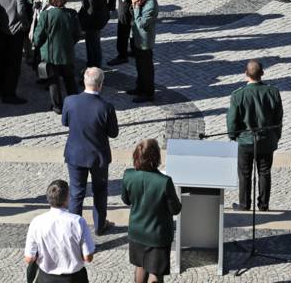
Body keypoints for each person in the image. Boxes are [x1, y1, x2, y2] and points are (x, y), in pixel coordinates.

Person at [62, 66, 119, 237]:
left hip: (75, 154)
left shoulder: (70, 101)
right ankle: (100, 226)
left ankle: (74, 231)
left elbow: (65, 122)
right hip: (98, 157)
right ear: (101, 84)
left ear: (84, 82)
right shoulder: (106, 107)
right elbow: (113, 133)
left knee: (76, 193)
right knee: (100, 192)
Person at [121, 139, 182, 283]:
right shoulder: (164, 181)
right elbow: (175, 209)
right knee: (156, 273)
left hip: (136, 232)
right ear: (156, 157)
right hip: (158, 235)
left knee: (140, 266)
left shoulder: (128, 175)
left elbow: (126, 200)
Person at [227, 59, 283, 212]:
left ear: (246, 74)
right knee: (264, 172)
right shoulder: (273, 92)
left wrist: (234, 136)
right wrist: (275, 137)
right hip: (266, 140)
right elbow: (278, 119)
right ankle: (263, 205)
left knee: (244, 174)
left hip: (245, 141)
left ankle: (244, 204)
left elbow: (232, 121)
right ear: (262, 74)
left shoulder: (238, 95)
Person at [24, 179, 96, 283]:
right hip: (74, 278)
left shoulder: (36, 222)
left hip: (46, 279)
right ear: (67, 198)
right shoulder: (77, 221)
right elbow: (88, 257)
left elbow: (29, 258)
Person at [35, 0, 81, 113]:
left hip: (50, 54)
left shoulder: (46, 15)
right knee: (69, 79)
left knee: (53, 81)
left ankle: (57, 106)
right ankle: (74, 103)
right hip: (67, 52)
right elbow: (77, 34)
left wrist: (38, 46)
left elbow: (38, 36)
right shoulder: (72, 14)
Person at [78, 0, 116, 69]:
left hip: (93, 22)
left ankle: (93, 69)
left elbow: (90, 9)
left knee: (92, 47)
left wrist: (83, 25)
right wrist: (109, 7)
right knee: (95, 45)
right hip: (101, 15)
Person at [130, 0, 158, 103]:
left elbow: (141, 23)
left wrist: (136, 7)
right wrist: (134, 5)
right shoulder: (143, 0)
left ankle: (148, 93)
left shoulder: (150, 5)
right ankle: (140, 87)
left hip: (145, 42)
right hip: (138, 39)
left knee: (146, 69)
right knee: (139, 66)